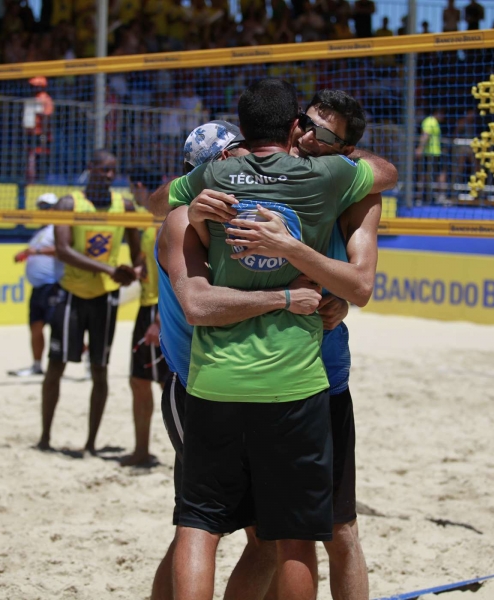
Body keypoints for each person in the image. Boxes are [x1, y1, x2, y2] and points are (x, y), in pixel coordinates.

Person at [150, 78, 397, 600]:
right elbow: (188, 284)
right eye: (303, 122)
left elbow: (362, 275)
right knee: (278, 536)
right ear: (290, 124)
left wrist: (324, 282)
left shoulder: (333, 183)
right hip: (247, 378)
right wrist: (291, 294)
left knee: (310, 531)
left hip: (279, 377)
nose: (308, 134)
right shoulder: (221, 192)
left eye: (320, 132)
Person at [149, 119, 317, 600]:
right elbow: (201, 307)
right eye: (234, 158)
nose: (247, 167)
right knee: (206, 528)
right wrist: (288, 298)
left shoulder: (227, 218)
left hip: (237, 384)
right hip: (194, 388)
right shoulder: (185, 220)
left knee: (233, 534)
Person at [37, 150, 142, 455]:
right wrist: (111, 269)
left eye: (113, 171)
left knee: (100, 369)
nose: (109, 176)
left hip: (104, 298)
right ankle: (44, 437)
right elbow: (63, 250)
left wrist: (135, 270)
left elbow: (136, 249)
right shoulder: (69, 203)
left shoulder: (123, 205)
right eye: (103, 170)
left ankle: (91, 443)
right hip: (71, 293)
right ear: (90, 168)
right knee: (55, 365)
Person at [120, 184, 171, 467]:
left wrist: (159, 321)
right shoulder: (144, 221)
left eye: (132, 189)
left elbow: (176, 276)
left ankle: (185, 453)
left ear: (141, 188)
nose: (130, 195)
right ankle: (141, 450)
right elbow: (146, 262)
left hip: (160, 309)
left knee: (169, 384)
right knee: (138, 381)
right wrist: (135, 270)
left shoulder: (168, 219)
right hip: (145, 306)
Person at [9, 193, 64, 377]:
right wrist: (28, 254)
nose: (43, 210)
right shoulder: (39, 233)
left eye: (46, 207)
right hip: (39, 288)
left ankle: (89, 359)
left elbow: (62, 250)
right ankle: (36, 365)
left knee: (60, 329)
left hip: (53, 285)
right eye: (40, 207)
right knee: (35, 326)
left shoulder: (58, 228)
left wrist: (35, 251)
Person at [24, 77, 54, 182]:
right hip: (32, 133)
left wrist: (44, 135)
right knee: (31, 157)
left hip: (41, 134)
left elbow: (46, 117)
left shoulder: (45, 99)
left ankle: (39, 181)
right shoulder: (33, 99)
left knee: (39, 158)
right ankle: (31, 181)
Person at [416, 108, 446, 204]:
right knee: (424, 175)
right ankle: (420, 197)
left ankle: (436, 196)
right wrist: (420, 148)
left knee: (437, 174)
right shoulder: (429, 121)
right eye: (442, 114)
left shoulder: (434, 122)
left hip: (435, 153)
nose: (443, 117)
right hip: (428, 153)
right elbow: (425, 135)